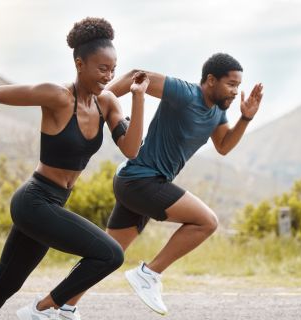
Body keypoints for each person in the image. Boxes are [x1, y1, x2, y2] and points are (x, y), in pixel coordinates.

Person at [0, 17, 149, 320]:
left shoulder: (108, 103)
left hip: (53, 204)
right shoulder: (58, 96)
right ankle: (44, 309)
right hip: (34, 200)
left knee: (4, 284)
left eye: (113, 69)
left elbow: (131, 149)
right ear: (79, 64)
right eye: (102, 68)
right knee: (111, 254)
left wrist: (139, 98)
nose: (109, 75)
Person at [105, 53, 263, 314]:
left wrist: (245, 118)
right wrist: (95, 101)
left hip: (139, 182)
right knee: (207, 221)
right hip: (141, 180)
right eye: (231, 84)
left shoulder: (216, 114)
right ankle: (148, 274)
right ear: (211, 80)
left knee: (106, 255)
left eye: (238, 85)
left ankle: (56, 305)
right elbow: (137, 75)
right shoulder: (184, 93)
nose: (236, 92)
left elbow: (223, 146)